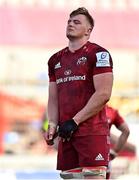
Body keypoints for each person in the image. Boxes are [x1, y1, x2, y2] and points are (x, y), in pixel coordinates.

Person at [43, 7, 113, 179]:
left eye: (76, 22)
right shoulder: (55, 60)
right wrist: (52, 124)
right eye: (69, 21)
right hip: (66, 135)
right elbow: (53, 98)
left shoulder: (98, 54)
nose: (70, 24)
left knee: (93, 176)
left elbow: (103, 94)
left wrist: (75, 121)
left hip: (91, 132)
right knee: (69, 177)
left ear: (88, 30)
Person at [106, 105, 130, 179]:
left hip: (102, 156)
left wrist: (114, 151)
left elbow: (126, 131)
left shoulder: (111, 111)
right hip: (102, 156)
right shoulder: (110, 111)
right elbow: (126, 131)